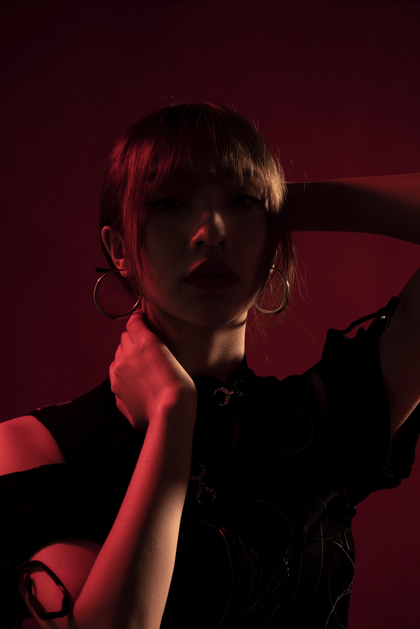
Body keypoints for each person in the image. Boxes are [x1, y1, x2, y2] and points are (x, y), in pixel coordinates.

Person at [1, 102, 420, 629]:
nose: (212, 232)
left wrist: (276, 205)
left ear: (273, 241)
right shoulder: (36, 450)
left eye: (240, 203)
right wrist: (172, 419)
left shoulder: (326, 420)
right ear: (119, 248)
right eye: (170, 202)